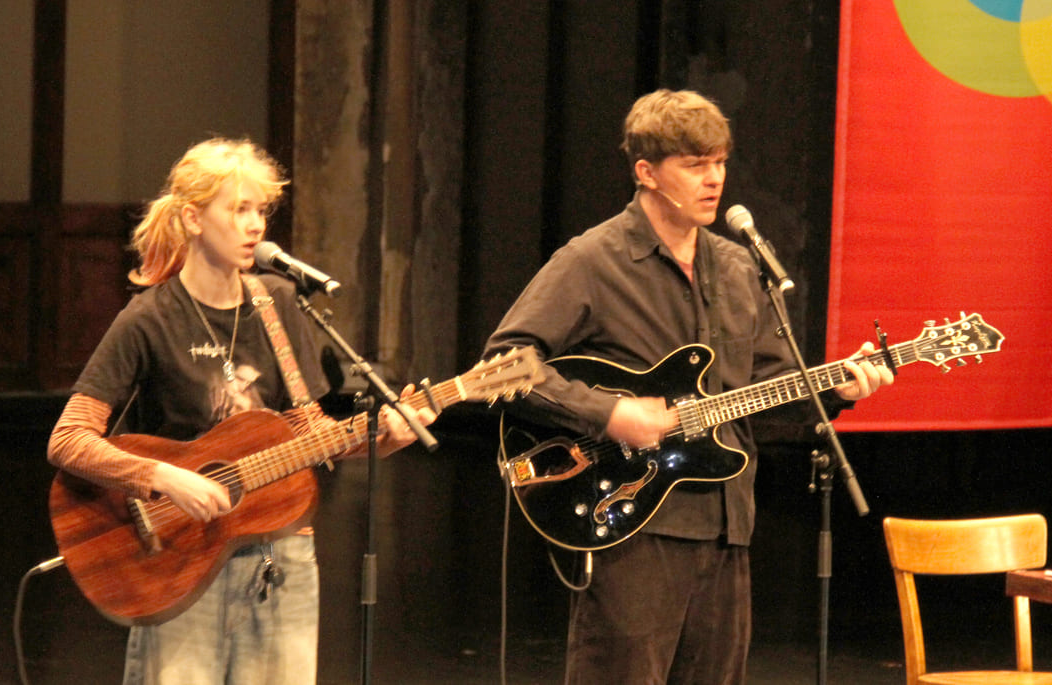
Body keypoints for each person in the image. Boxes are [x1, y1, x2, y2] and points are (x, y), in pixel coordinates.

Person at [483, 89, 893, 684]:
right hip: (633, 522)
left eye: (720, 162)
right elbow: (503, 364)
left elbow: (768, 395)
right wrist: (608, 414)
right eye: (695, 164)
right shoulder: (593, 260)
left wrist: (837, 391)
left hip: (728, 525)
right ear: (646, 172)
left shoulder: (737, 266)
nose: (714, 179)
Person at [47, 137, 435, 684]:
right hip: (177, 556)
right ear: (193, 218)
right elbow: (68, 440)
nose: (255, 225)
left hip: (281, 560)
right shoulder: (148, 319)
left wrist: (382, 437)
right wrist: (163, 476)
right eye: (239, 209)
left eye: (261, 210)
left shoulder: (277, 306)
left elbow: (308, 432)